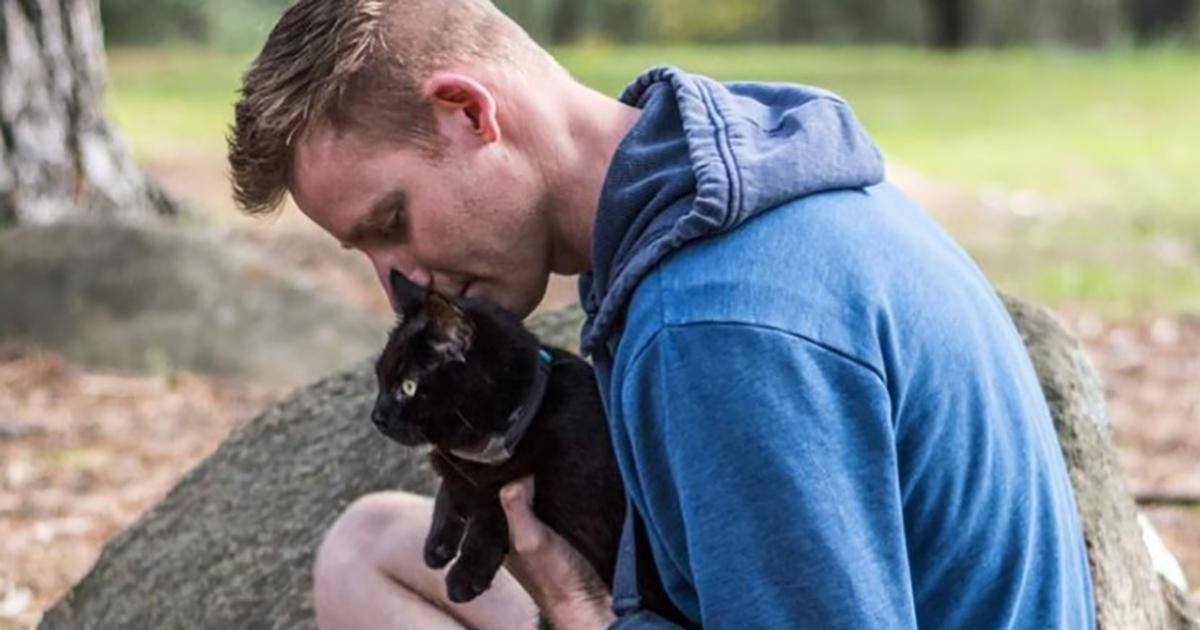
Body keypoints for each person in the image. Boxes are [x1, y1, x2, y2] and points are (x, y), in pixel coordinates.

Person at [227, 1, 1096, 628]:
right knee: (369, 549)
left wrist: (580, 609)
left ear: (467, 114)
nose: (402, 284)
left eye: (393, 223)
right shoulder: (716, 181)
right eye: (368, 254)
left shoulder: (719, 327)